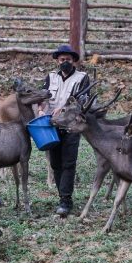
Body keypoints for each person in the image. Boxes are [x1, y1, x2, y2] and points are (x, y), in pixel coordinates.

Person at [38, 45, 90, 217]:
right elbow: (44, 97)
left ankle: (65, 201)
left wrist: (62, 109)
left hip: (71, 126)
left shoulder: (82, 78)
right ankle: (62, 195)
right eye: (62, 60)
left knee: (68, 163)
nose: (65, 62)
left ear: (73, 60)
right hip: (52, 125)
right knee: (55, 163)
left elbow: (82, 102)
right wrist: (41, 108)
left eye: (68, 59)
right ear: (57, 61)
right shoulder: (51, 77)